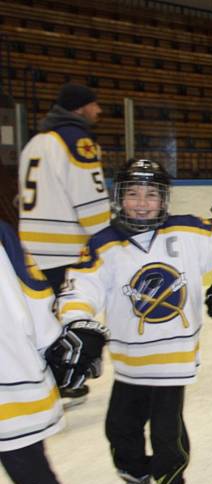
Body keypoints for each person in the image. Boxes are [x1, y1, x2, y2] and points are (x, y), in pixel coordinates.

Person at [58, 160, 212, 484]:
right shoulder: (104, 242)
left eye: (151, 194)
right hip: (128, 361)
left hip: (173, 360)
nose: (141, 203)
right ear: (119, 197)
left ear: (164, 199)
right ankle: (138, 482)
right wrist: (80, 323)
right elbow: (79, 290)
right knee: (120, 428)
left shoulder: (187, 231)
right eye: (132, 194)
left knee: (167, 436)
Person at [18, 82, 110, 404]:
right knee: (65, 316)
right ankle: (62, 381)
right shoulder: (77, 140)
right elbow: (90, 195)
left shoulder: (36, 141)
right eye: (94, 104)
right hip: (63, 248)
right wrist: (105, 238)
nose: (98, 111)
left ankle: (38, 381)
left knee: (38, 317)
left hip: (29, 247)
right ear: (80, 107)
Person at [0, 221, 87, 484]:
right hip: (11, 384)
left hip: (9, 386)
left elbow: (34, 294)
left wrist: (51, 345)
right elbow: (37, 295)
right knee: (32, 474)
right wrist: (51, 343)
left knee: (32, 476)